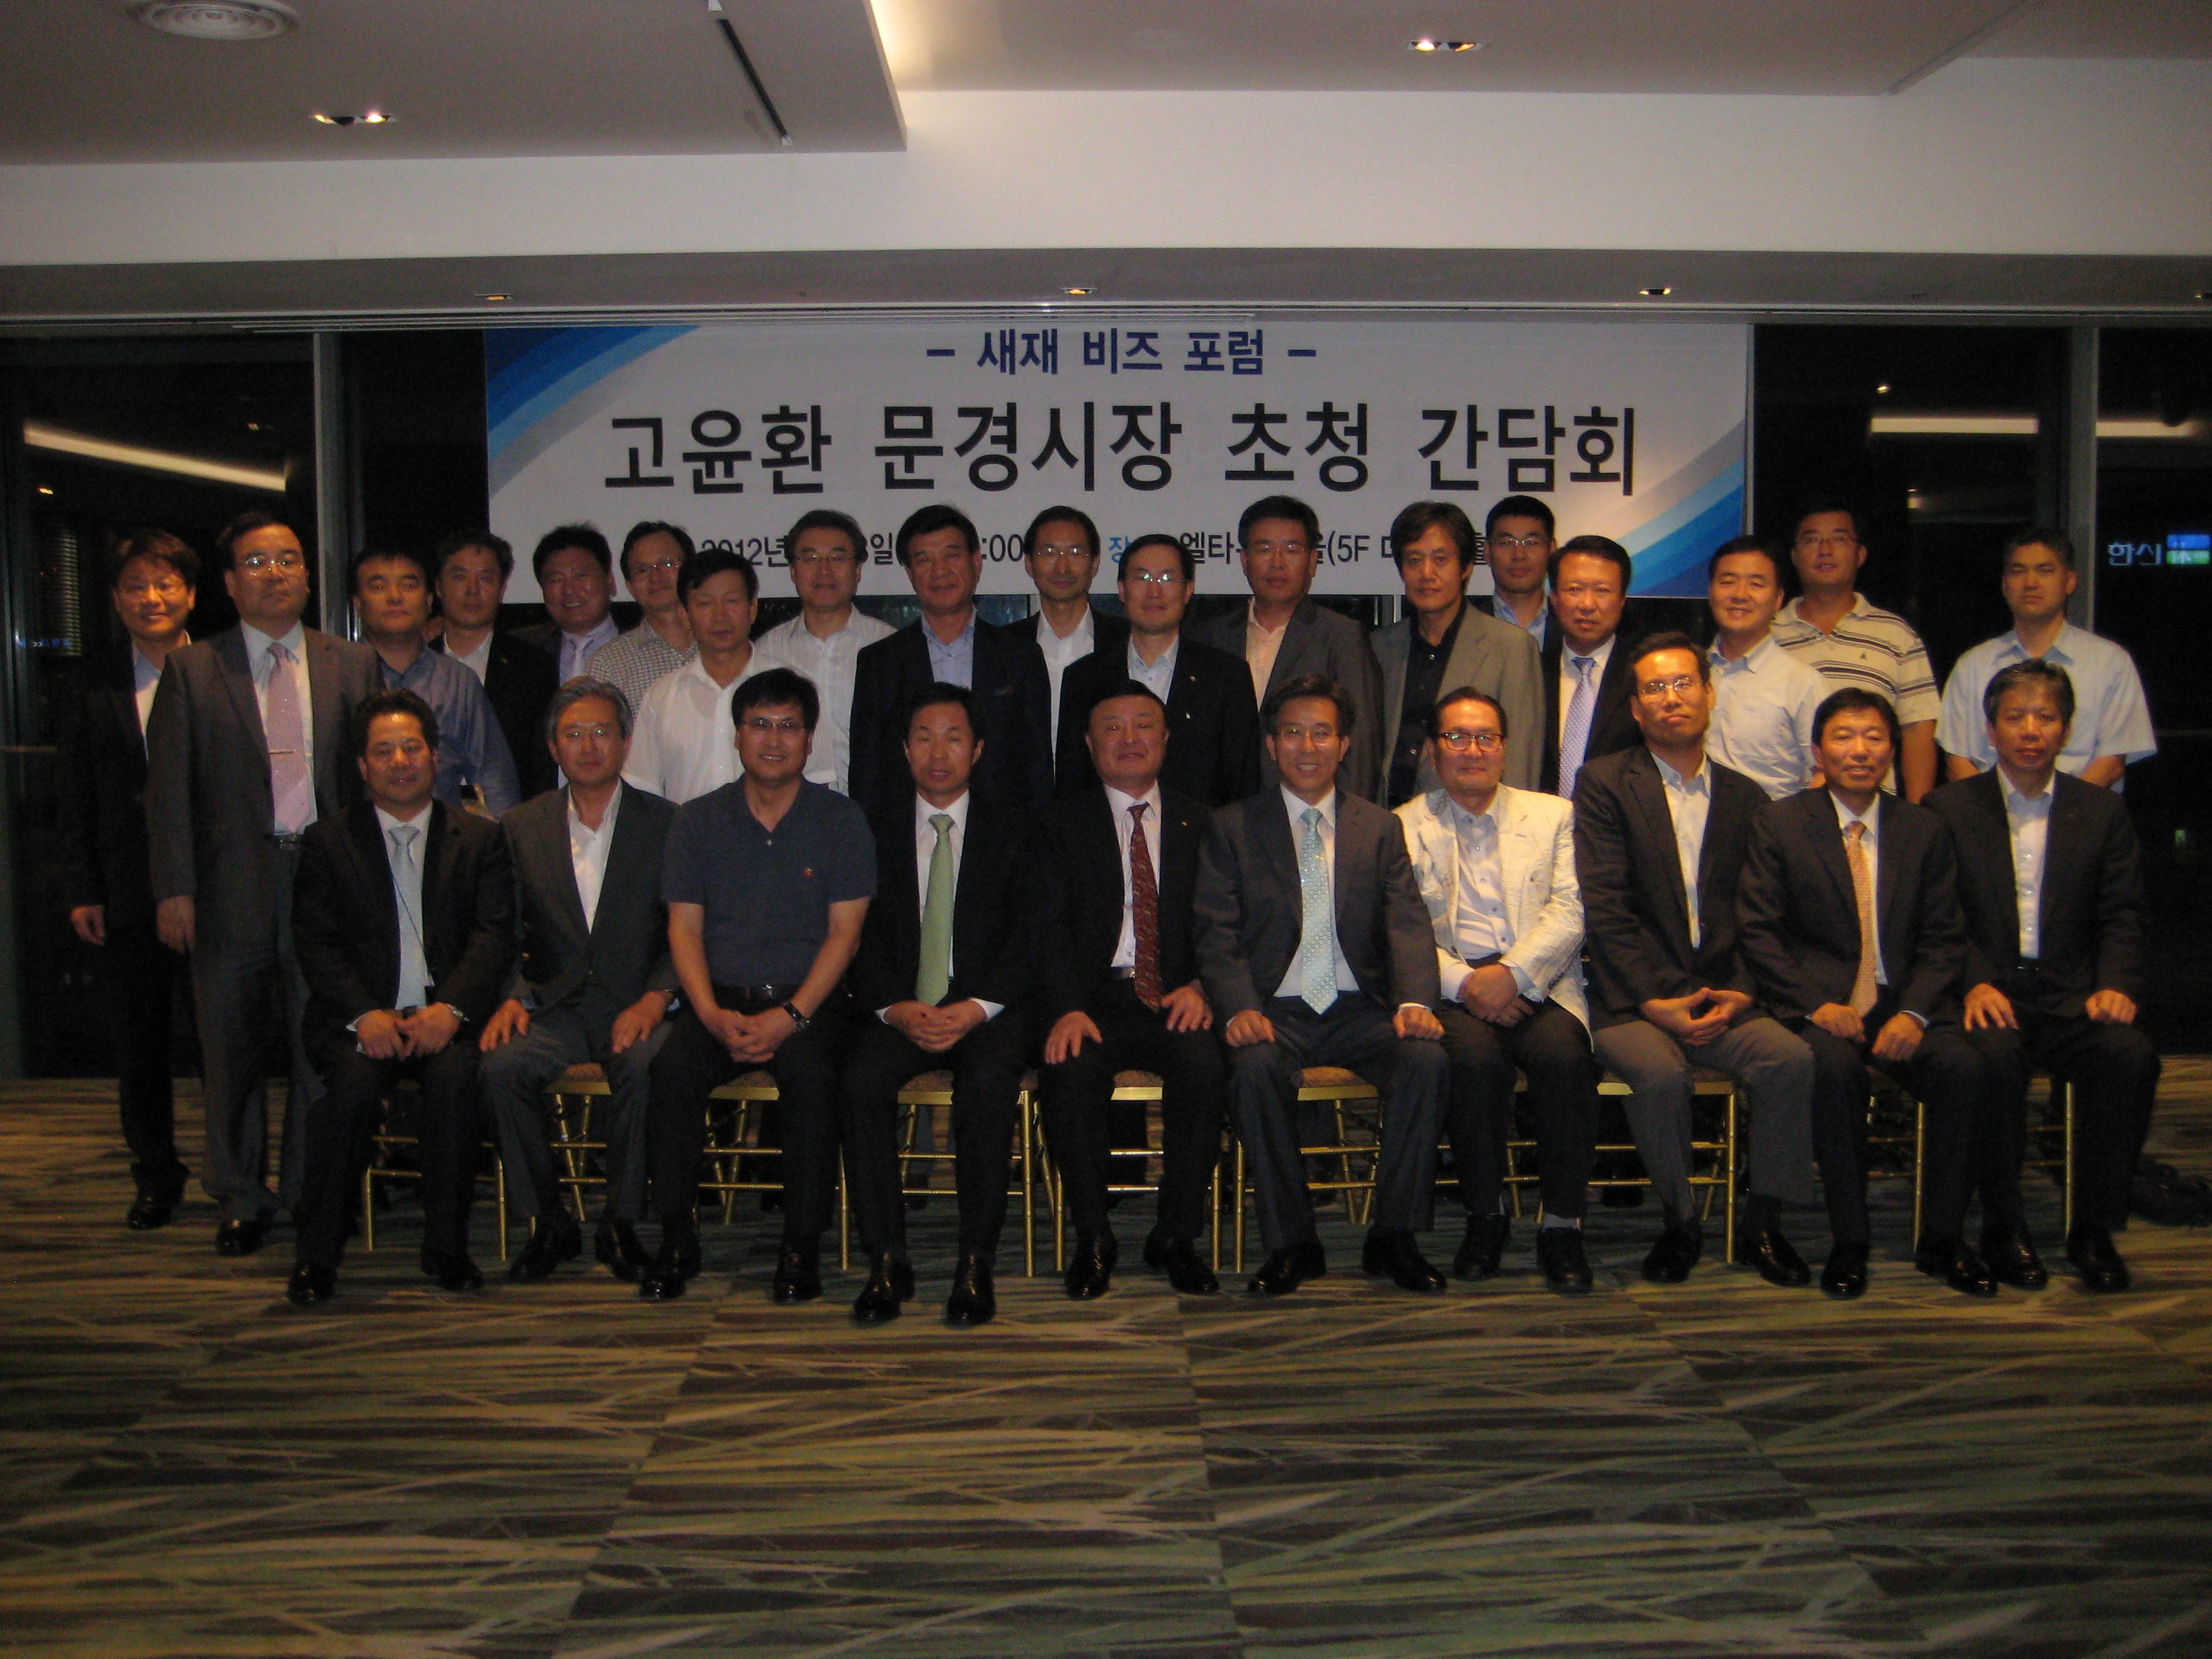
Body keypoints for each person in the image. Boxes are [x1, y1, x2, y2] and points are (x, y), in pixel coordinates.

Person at [144, 511, 382, 1256]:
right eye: (255, 562)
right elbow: (168, 791)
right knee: (231, 1052)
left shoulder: (352, 663)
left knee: (322, 1048)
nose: (273, 573)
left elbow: (370, 786)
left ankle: (313, 1190)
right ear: (228, 582)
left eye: (287, 560)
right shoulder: (193, 669)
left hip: (324, 884)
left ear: (308, 575)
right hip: (229, 888)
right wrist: (174, 889)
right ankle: (241, 1196)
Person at [1573, 635, 1823, 1290]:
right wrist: (1654, 1001)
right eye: (1654, 688)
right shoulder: (1604, 784)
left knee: (1790, 1060)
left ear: (1709, 696)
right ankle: (1681, 1221)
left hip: (1722, 991)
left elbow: (1760, 912)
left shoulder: (1747, 797)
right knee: (1659, 1076)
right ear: (1636, 708)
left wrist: (1743, 990)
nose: (1671, 698)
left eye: (1684, 683)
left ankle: (1762, 1221)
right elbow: (1606, 905)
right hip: (1632, 998)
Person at [1194, 673, 1449, 1297]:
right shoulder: (1232, 827)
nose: (1306, 747)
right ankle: (1293, 1243)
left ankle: (1394, 1235)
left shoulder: (1378, 827)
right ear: (1271, 745)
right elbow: (1215, 931)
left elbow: (1406, 922)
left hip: (1359, 1007)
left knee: (1427, 1061)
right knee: (1253, 1071)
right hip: (1274, 1009)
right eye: (1292, 733)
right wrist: (1237, 1008)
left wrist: (1415, 1001)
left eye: (1321, 733)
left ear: (1344, 745)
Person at [1738, 687, 1998, 1298]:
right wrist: (1814, 1005)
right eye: (1844, 737)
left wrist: (1914, 1013)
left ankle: (1942, 1237)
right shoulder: (1780, 823)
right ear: (1818, 752)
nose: (1860, 750)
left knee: (1964, 1067)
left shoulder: (1923, 828)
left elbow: (1945, 937)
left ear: (1892, 750)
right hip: (1819, 1005)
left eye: (1874, 737)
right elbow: (1759, 931)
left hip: (1904, 1002)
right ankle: (1850, 1240)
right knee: (1833, 1072)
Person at [1927, 660, 2159, 1292]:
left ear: (2065, 729)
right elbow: (1936, 915)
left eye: (2045, 718)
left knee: (2129, 1057)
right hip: (1986, 994)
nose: (2030, 731)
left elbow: (2122, 914)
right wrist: (1973, 981)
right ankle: (2004, 1225)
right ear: (1991, 730)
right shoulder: (1948, 809)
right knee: (1995, 1061)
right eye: (2015, 718)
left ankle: (2094, 1228)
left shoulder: (2100, 811)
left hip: (2071, 995)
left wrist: (2116, 983)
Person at [642, 668, 873, 1303]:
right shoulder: (697, 820)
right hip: (719, 999)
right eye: (760, 725)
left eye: (789, 726)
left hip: (810, 1002)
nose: (774, 740)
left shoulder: (841, 819)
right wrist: (708, 1012)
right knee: (671, 1073)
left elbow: (846, 935)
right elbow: (684, 930)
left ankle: (800, 1245)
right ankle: (676, 1238)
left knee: (812, 1078)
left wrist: (792, 1015)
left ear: (810, 739)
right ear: (738, 735)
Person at [284, 690, 516, 1306]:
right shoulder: (328, 842)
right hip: (360, 1020)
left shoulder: (480, 838)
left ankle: (446, 1248)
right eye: (383, 751)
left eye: (412, 747)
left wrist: (453, 1010)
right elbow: (316, 943)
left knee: (456, 1085)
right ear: (363, 766)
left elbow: (494, 935)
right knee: (350, 1095)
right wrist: (365, 1014)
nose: (400, 762)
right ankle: (317, 1256)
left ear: (435, 757)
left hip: (447, 1018)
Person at [842, 685, 1037, 1328]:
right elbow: (854, 935)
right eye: (923, 738)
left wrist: (978, 1006)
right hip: (900, 1006)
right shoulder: (868, 828)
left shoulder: (1017, 826)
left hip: (986, 1009)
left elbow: (1031, 934)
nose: (938, 753)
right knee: (860, 1082)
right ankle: (886, 1258)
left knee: (986, 1086)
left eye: (954, 738)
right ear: (904, 749)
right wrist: (893, 1007)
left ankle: (975, 1258)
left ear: (977, 750)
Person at [1396, 688, 1601, 1288]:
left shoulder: (1553, 815)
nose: (1473, 750)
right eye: (1457, 737)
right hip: (1452, 985)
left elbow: (1572, 910)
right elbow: (1401, 927)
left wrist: (1513, 975)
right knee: (1473, 1064)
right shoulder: (1403, 825)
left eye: (1486, 737)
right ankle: (1485, 1216)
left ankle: (1562, 1224)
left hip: (1540, 979)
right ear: (1433, 751)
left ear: (1505, 749)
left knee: (1565, 1060)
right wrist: (1468, 984)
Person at [480, 678, 678, 1286]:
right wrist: (512, 995)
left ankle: (621, 1222)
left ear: (625, 742)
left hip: (637, 1003)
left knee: (645, 1067)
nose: (589, 747)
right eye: (573, 734)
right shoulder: (520, 825)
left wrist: (657, 996)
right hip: (554, 1005)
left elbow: (688, 927)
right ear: (553, 747)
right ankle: (549, 1221)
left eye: (601, 733)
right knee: (500, 1066)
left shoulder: (669, 822)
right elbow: (504, 924)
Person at [1033, 683, 1227, 1300]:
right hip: (1091, 999)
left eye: (1143, 725)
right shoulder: (1058, 822)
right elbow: (1045, 927)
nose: (1129, 739)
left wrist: (1203, 985)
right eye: (1112, 728)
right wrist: (1066, 1006)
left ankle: (1176, 1235)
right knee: (1070, 1071)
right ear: (1090, 746)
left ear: (1165, 739)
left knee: (1206, 1069)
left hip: (1176, 995)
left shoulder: (1207, 822)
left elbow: (1229, 921)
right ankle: (1094, 1236)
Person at [55, 529, 198, 1230]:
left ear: (191, 593)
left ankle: (241, 1178)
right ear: (114, 599)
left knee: (226, 1045)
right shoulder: (92, 684)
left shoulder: (222, 670)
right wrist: (84, 887)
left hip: (212, 888)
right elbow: (74, 792)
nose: (152, 597)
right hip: (126, 892)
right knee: (140, 1048)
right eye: (136, 586)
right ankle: (156, 1176)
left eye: (165, 583)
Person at [846, 504, 1053, 816]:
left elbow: (1038, 766)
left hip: (1004, 831)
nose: (939, 571)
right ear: (909, 573)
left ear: (976, 563)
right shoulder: (879, 662)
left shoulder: (1020, 656)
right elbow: (867, 773)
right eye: (924, 560)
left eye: (951, 555)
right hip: (908, 832)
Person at [1191, 495, 1388, 801]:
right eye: (1264, 549)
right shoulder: (1211, 636)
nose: (1277, 563)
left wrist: (1348, 820)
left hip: (1308, 809)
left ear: (1312, 561)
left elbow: (1360, 745)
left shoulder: (1341, 636)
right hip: (1226, 813)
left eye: (1292, 550)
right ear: (1244, 560)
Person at [1937, 528, 2156, 788]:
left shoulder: (2111, 663)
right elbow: (1957, 762)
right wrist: (1995, 812)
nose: (2030, 582)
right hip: (1987, 811)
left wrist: (2061, 810)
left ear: (2070, 581)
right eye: (2018, 571)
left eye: (2045, 570)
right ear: (2005, 584)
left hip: (2082, 810)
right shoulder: (1972, 666)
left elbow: (2111, 764)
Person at [1055, 534, 1261, 808]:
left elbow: (1243, 787)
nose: (1154, 591)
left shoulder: (1227, 676)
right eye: (1142, 578)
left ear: (1188, 590)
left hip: (1203, 832)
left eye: (1167, 578)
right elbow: (1071, 785)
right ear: (1122, 589)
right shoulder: (1084, 677)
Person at [1374, 500, 1545, 803]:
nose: (1427, 573)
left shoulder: (1511, 647)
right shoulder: (1380, 646)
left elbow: (1520, 763)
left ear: (1466, 567)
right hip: (1384, 818)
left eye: (1440, 559)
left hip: (1469, 820)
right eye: (1414, 560)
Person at [1771, 501, 1941, 801]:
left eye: (1839, 538)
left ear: (1860, 555)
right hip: (1783, 812)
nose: (1825, 550)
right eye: (1811, 539)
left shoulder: (1897, 635)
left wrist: (1916, 815)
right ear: (1795, 556)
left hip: (1874, 812)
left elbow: (1918, 730)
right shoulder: (1768, 635)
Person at [351, 545, 522, 816]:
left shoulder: (459, 681)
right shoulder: (339, 676)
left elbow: (494, 778)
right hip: (355, 835)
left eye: (408, 585)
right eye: (379, 586)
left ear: (429, 601)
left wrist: (504, 836)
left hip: (443, 835)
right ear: (358, 604)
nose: (395, 597)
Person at [622, 548, 789, 804]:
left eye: (731, 601)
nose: (720, 616)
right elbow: (643, 793)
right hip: (685, 831)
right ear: (685, 615)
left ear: (753, 609)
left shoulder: (792, 690)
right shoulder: (661, 697)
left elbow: (816, 784)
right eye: (705, 603)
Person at [752, 508, 893, 793]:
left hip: (877, 806)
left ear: (857, 571)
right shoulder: (766, 652)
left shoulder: (889, 646)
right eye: (811, 558)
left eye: (837, 558)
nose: (824, 570)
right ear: (793, 571)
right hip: (793, 809)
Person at [429, 531, 560, 799]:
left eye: (486, 578)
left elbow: (542, 763)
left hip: (510, 812)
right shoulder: (419, 663)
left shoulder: (533, 666)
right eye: (460, 577)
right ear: (439, 587)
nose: (472, 589)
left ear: (502, 589)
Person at [1703, 534, 1829, 801]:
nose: (1740, 595)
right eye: (1727, 582)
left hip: (1773, 822)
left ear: (1778, 599)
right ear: (1710, 592)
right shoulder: (1690, 674)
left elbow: (1825, 771)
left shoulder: (1803, 683)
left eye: (1756, 584)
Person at [1539, 534, 1642, 799]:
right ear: (1554, 598)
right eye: (1574, 589)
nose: (1587, 604)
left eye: (1602, 591)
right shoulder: (1531, 671)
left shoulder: (1642, 674)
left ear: (1622, 600)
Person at [1021, 505, 1128, 757]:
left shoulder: (1126, 641)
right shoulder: (1003, 646)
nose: (1063, 568)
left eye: (1076, 553)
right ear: (1029, 563)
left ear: (1095, 563)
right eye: (1049, 553)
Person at [588, 521, 696, 716]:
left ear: (691, 571)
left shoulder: (725, 644)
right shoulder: (608, 664)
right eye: (642, 570)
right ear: (630, 586)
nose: (656, 576)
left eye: (667, 564)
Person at [516, 524, 621, 683]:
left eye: (581, 575)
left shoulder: (644, 645)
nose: (569, 590)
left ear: (610, 581)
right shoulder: (521, 650)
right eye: (556, 580)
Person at [1473, 494, 1555, 649]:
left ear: (1551, 550)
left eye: (1532, 543)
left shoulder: (1573, 620)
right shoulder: (1462, 620)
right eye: (1506, 543)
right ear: (1487, 552)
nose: (1519, 555)